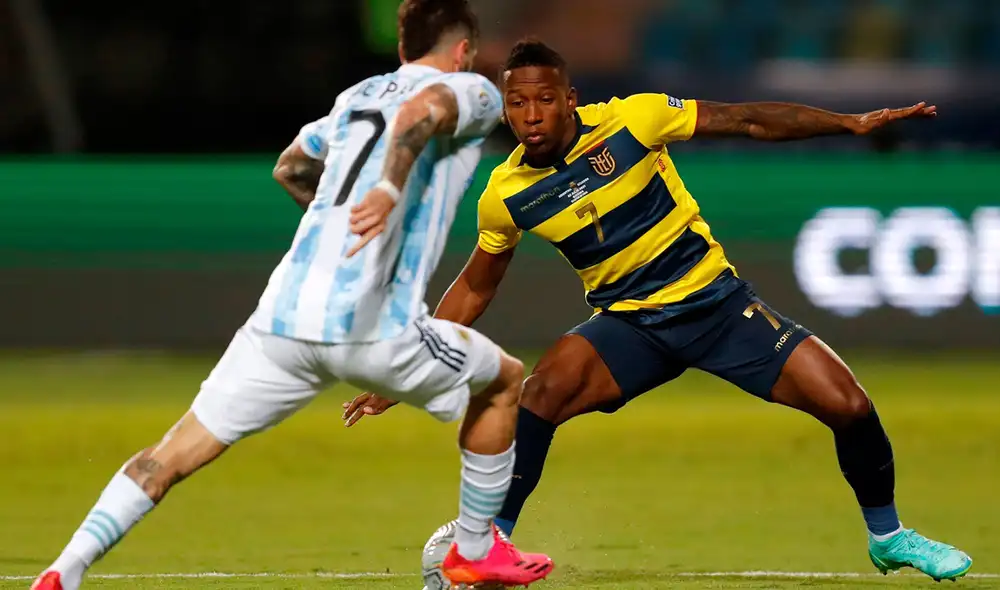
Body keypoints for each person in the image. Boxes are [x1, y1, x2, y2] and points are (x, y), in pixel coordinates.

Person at [342, 38, 973, 582]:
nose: (531, 115)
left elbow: (747, 119)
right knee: (539, 394)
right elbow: (476, 288)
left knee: (850, 405)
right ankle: (490, 545)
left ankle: (888, 537)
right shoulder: (506, 194)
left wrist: (849, 124)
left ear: (570, 97)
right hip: (631, 325)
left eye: (544, 99)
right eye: (517, 103)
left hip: (719, 306)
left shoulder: (634, 122)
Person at [30, 5, 557, 589]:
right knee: (506, 379)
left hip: (280, 323)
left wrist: (334, 227)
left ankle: (64, 569)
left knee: (172, 454)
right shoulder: (468, 88)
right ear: (462, 49)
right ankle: (475, 548)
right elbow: (422, 109)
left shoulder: (355, 97)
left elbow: (292, 166)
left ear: (402, 46)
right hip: (372, 323)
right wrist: (386, 190)